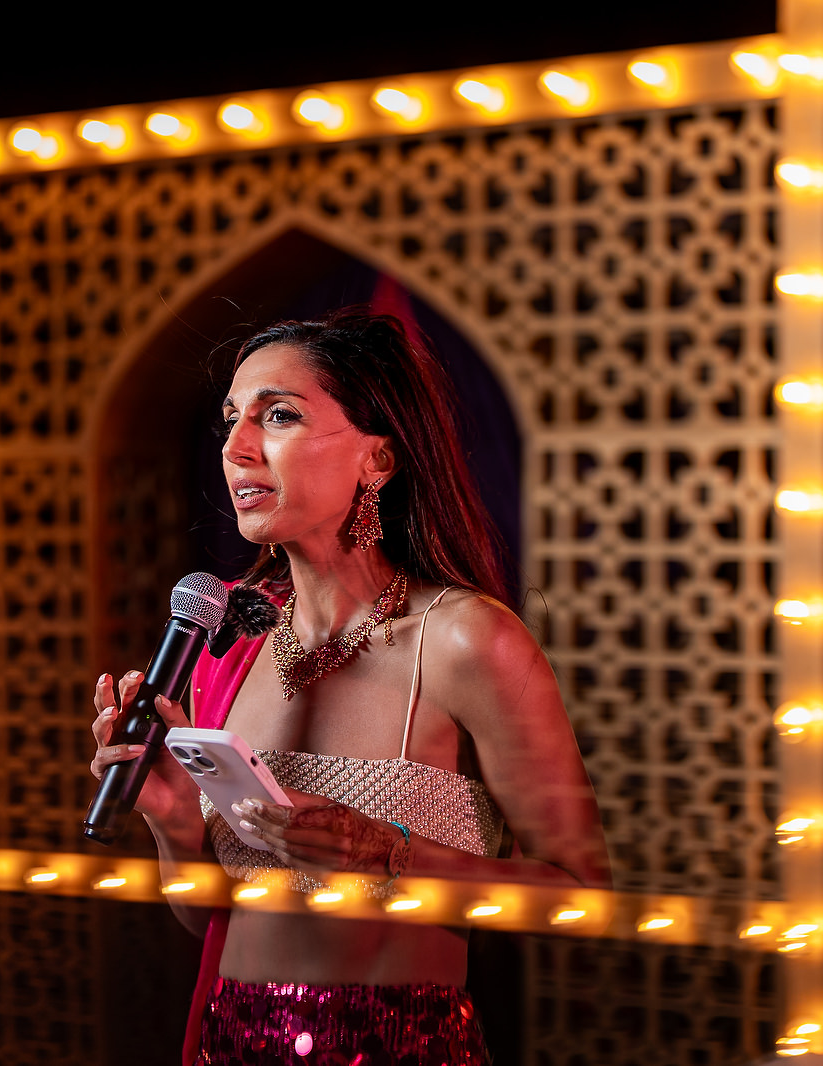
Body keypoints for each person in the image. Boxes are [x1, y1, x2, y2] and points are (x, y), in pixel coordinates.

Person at [90, 307, 611, 1065]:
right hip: (230, 1046)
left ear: (379, 459)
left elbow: (584, 900)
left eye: (279, 416)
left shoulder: (466, 640)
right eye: (232, 420)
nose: (236, 447)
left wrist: (390, 855)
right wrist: (173, 825)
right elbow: (211, 920)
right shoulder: (229, 650)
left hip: (401, 1046)